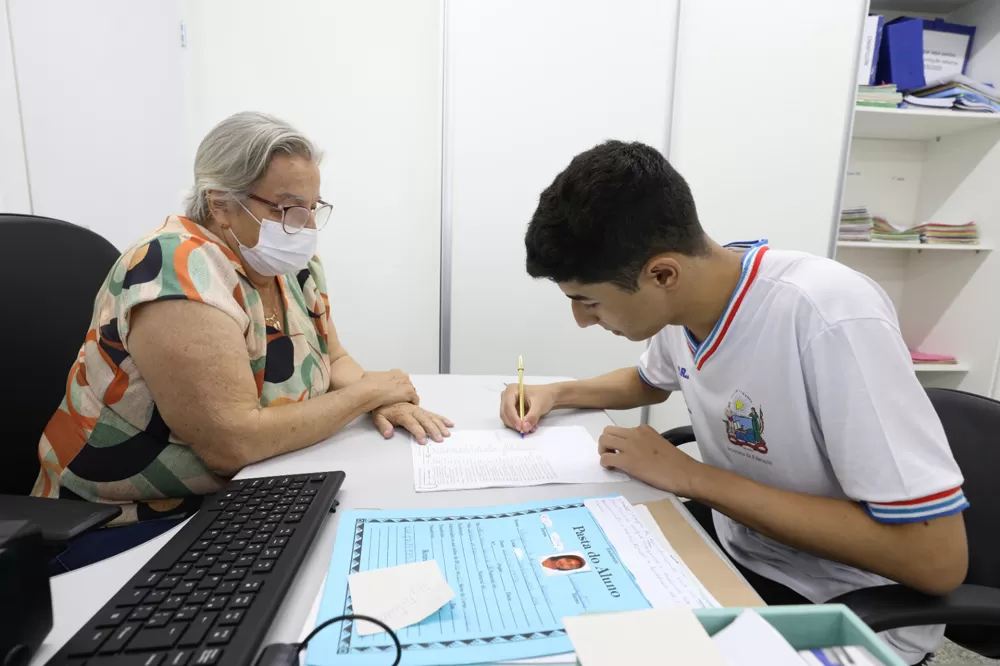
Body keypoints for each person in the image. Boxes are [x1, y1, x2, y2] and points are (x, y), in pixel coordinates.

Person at [499, 141, 968, 665]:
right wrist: (557, 391)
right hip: (739, 555)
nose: (582, 320)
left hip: (845, 608)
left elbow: (936, 560)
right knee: (548, 608)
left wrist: (690, 476)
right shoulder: (689, 304)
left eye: (588, 300)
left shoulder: (828, 316)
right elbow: (648, 380)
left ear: (662, 274)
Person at [33, 112, 452, 571]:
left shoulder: (292, 267)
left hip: (257, 491)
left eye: (314, 208)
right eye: (287, 208)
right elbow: (233, 443)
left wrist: (381, 401)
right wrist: (371, 391)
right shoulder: (176, 267)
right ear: (220, 203)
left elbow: (335, 358)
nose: (305, 226)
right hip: (134, 525)